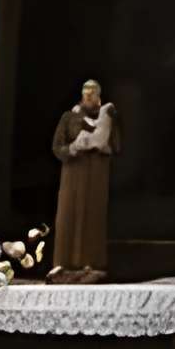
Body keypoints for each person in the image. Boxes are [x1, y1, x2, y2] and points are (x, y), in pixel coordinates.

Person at [50, 79, 118, 282]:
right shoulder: (69, 117)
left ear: (98, 96)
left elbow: (115, 145)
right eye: (86, 93)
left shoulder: (108, 116)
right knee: (68, 214)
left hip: (96, 174)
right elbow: (57, 146)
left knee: (92, 216)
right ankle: (63, 263)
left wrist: (102, 147)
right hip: (73, 173)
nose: (89, 97)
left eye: (93, 94)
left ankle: (91, 263)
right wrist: (72, 149)